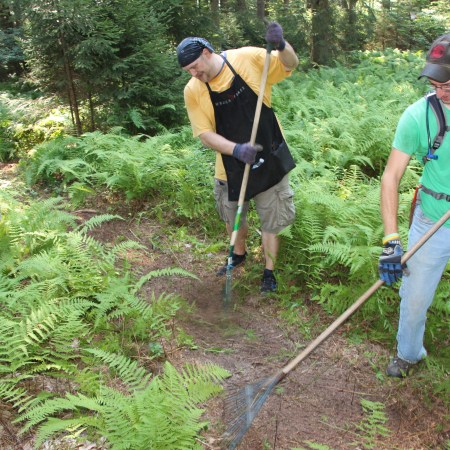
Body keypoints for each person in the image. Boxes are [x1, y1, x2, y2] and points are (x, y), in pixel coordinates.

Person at [177, 22, 299, 293]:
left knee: (271, 220)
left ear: (207, 52)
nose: (194, 74)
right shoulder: (193, 90)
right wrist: (236, 150)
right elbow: (205, 134)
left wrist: (281, 45)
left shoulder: (247, 59)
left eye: (195, 67)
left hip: (268, 157)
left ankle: (269, 272)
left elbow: (290, 63)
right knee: (234, 217)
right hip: (229, 166)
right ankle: (239, 255)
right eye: (188, 71)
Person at [378, 33, 450, 377]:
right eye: (436, 85)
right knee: (415, 298)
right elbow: (391, 177)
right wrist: (391, 239)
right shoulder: (417, 116)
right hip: (432, 219)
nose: (441, 91)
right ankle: (408, 354)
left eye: (448, 84)